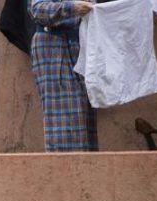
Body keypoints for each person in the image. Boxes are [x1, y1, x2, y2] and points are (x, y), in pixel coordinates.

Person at [29, 0, 98, 152]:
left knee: (84, 122)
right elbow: (38, 9)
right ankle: (65, 171)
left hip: (80, 45)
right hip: (54, 45)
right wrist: (71, 7)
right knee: (64, 124)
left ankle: (86, 170)